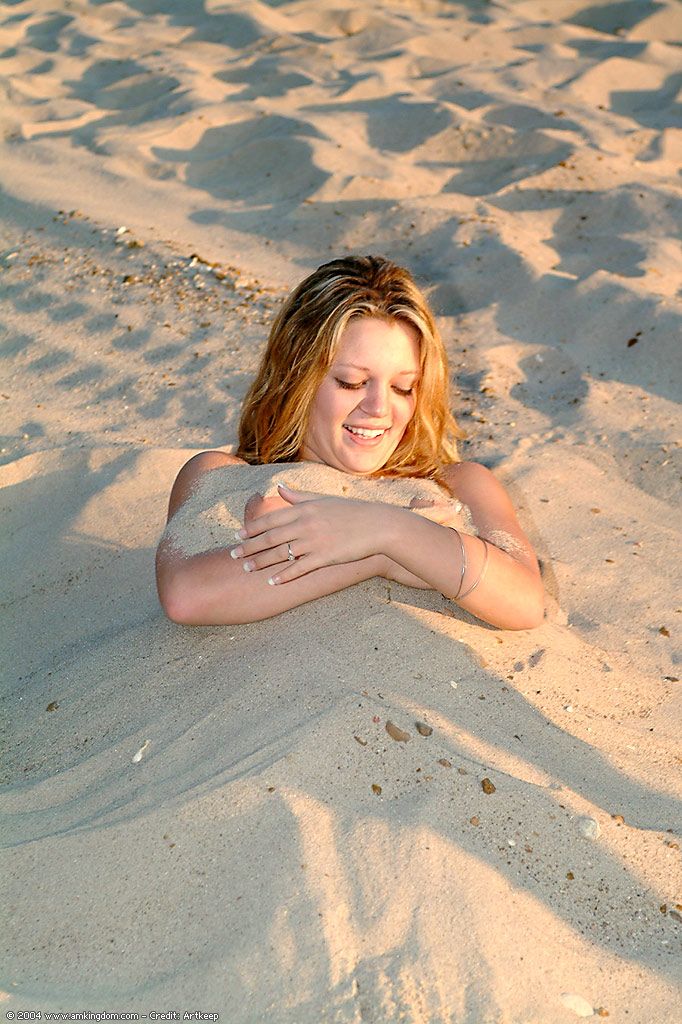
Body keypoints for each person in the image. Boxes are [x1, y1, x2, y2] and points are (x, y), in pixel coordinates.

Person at [156, 255, 544, 629]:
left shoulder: (461, 483)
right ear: (296, 378)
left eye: (403, 387)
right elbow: (186, 596)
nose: (379, 408)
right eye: (352, 382)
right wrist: (388, 551)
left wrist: (389, 530)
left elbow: (525, 603)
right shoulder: (220, 476)